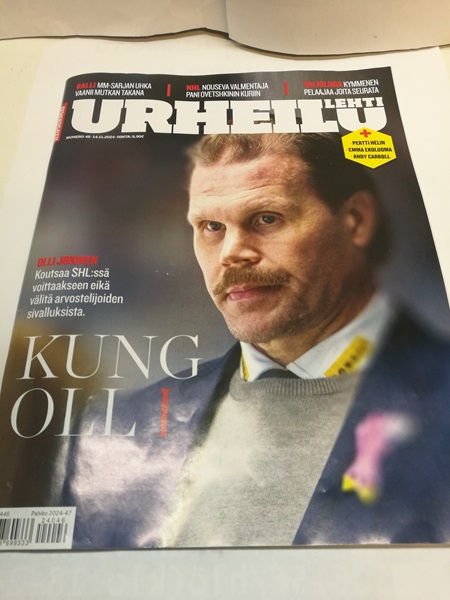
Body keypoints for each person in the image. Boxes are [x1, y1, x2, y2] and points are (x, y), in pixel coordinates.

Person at [64, 133, 450, 548]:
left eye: (266, 219)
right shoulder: (116, 433)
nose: (230, 253)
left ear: (354, 220)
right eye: (211, 227)